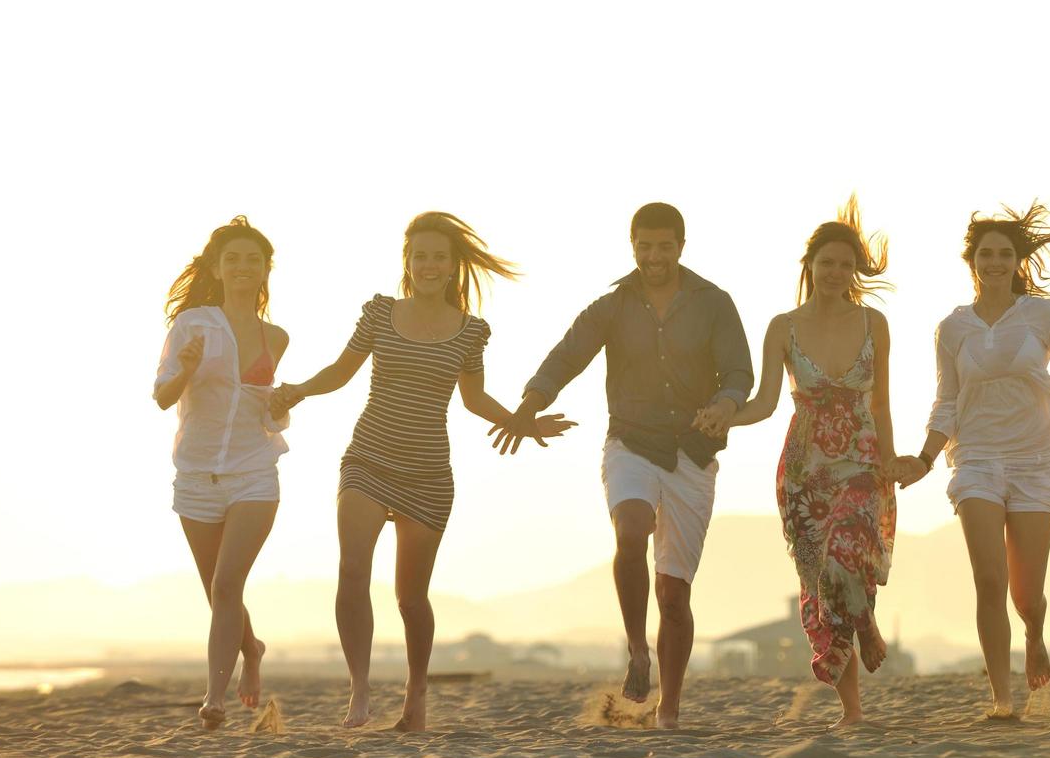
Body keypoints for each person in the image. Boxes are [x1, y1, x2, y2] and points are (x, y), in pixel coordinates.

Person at [274, 212, 573, 731]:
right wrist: (299, 388)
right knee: (352, 571)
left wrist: (522, 424)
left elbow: (474, 398)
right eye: (421, 256)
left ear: (454, 265)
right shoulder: (379, 313)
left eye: (439, 256)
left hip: (429, 472)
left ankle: (415, 699)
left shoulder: (470, 332)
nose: (430, 265)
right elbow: (342, 372)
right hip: (368, 458)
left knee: (411, 598)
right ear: (407, 263)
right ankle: (361, 691)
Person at [493, 202, 752, 729]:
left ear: (681, 246)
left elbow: (739, 370)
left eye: (664, 246)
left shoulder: (714, 303)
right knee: (630, 531)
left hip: (693, 455)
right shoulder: (612, 306)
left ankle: (670, 710)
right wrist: (529, 405)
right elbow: (566, 356)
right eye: (644, 245)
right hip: (631, 443)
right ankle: (638, 648)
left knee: (675, 596)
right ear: (632, 245)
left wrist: (726, 403)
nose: (654, 256)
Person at [899, 203, 1050, 719]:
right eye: (986, 254)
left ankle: (1034, 633)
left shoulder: (1044, 315)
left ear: (1017, 261)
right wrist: (926, 457)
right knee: (989, 581)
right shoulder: (953, 327)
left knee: (1026, 590)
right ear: (972, 261)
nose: (995, 262)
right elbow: (947, 398)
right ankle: (1001, 696)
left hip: (1035, 460)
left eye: (1004, 254)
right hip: (976, 460)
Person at [727, 195, 910, 727]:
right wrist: (723, 418)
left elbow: (880, 402)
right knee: (825, 588)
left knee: (845, 558)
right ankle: (852, 709)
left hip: (861, 458)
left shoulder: (875, 323)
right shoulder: (782, 326)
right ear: (809, 266)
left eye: (845, 264)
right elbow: (764, 402)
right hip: (804, 468)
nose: (835, 272)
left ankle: (867, 621)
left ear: (855, 271)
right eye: (826, 263)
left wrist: (892, 459)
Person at [153, 216, 289, 730]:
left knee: (228, 581)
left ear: (264, 270)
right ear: (217, 266)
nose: (242, 267)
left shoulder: (275, 335)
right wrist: (186, 368)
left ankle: (214, 697)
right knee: (219, 589)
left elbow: (266, 412)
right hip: (196, 474)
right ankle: (251, 649)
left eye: (252, 259)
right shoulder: (191, 325)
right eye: (232, 258)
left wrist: (280, 403)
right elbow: (164, 397)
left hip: (255, 471)